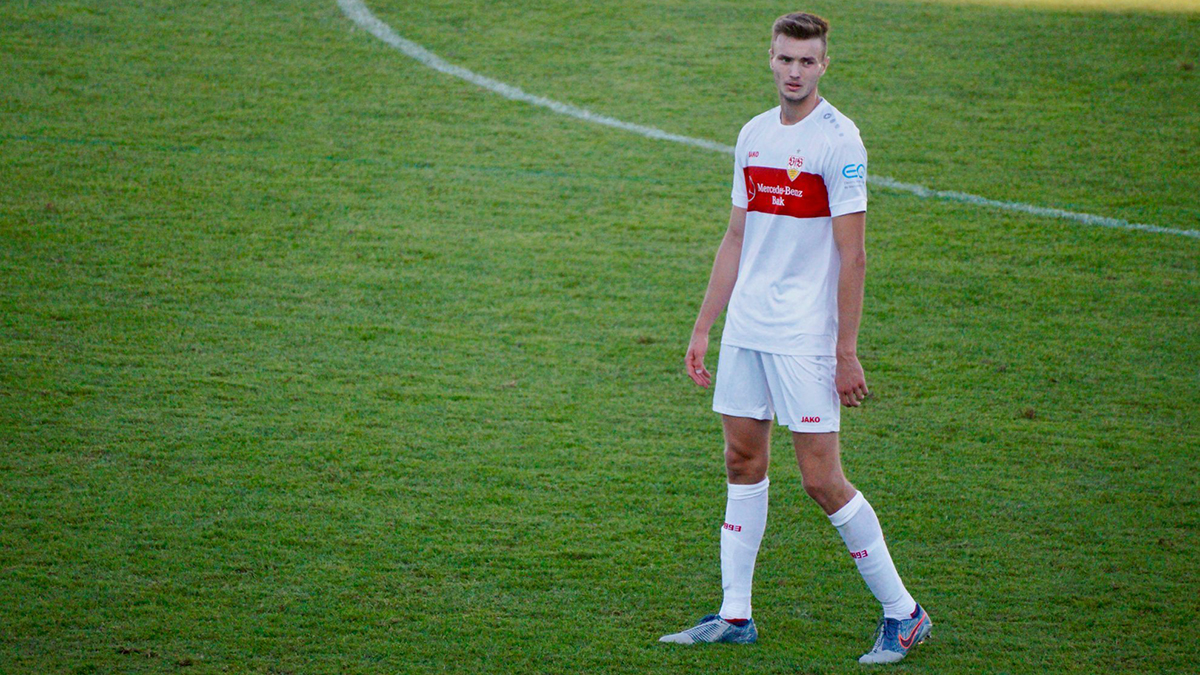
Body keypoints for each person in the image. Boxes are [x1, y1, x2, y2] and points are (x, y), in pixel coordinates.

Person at [657, 12, 931, 665]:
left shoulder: (840, 141)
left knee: (821, 479)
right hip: (748, 329)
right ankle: (735, 614)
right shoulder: (753, 135)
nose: (794, 71)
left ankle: (905, 614)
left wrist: (845, 351)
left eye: (807, 61)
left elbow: (854, 254)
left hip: (805, 336)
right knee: (741, 461)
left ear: (824, 65)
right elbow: (736, 235)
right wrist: (704, 326)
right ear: (771, 58)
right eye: (785, 59)